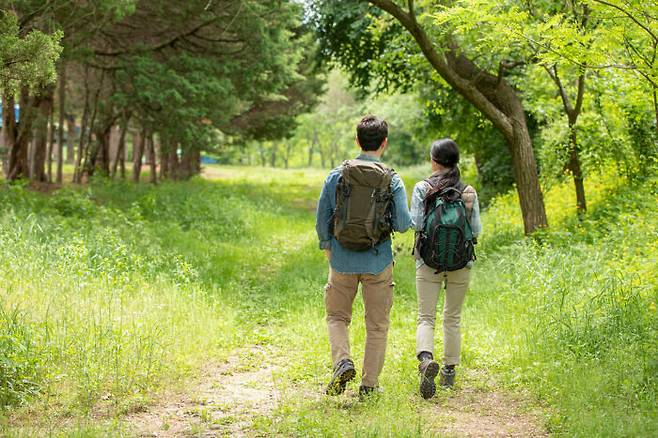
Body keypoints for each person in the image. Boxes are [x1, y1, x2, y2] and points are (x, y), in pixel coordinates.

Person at [315, 115, 412, 397]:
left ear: (357, 141)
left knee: (336, 317)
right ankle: (369, 385)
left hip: (342, 261)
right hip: (378, 261)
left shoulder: (336, 175)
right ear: (384, 143)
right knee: (377, 325)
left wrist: (328, 247)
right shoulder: (392, 179)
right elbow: (404, 224)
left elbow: (322, 219)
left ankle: (342, 361)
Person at [410, 138, 482, 399]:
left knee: (425, 317)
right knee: (452, 318)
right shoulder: (468, 191)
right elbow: (475, 231)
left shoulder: (423, 188)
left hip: (428, 261)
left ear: (434, 160)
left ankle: (426, 359)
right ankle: (449, 372)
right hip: (461, 263)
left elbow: (417, 224)